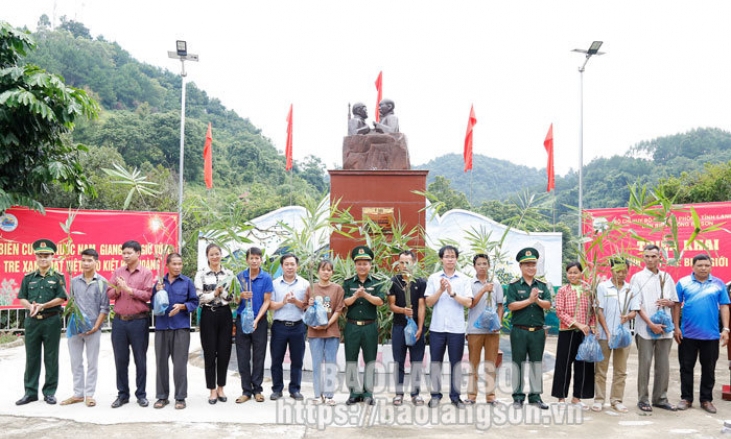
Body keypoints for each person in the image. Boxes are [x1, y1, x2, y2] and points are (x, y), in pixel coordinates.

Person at [673, 254, 730, 414]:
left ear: (710, 266)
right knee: (686, 367)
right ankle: (686, 398)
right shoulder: (683, 283)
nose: (703, 268)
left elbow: (725, 306)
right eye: (700, 265)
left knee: (709, 369)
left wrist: (726, 329)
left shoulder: (719, 284)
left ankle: (706, 400)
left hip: (711, 335)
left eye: (706, 265)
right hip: (687, 335)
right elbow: (676, 305)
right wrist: (676, 327)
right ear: (693, 267)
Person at [16, 239, 67, 406]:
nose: (43, 259)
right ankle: (30, 392)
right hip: (32, 322)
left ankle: (49, 392)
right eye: (40, 256)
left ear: (52, 257)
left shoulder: (58, 277)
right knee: (32, 357)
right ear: (35, 257)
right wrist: (31, 306)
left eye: (46, 255)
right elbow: (22, 297)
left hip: (51, 320)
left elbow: (62, 297)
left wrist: (44, 305)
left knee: (51, 357)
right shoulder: (29, 277)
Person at [425, 245, 473, 409]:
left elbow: (468, 302)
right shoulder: (433, 278)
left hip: (456, 329)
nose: (450, 259)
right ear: (441, 259)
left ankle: (455, 396)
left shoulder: (464, 279)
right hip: (437, 328)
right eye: (447, 256)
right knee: (436, 363)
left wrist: (452, 293)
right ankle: (435, 395)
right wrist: (440, 289)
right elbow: (429, 302)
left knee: (456, 364)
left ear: (457, 259)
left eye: (453, 256)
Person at [60, 248, 110, 408]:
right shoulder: (74, 281)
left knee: (92, 362)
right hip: (75, 328)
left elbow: (105, 307)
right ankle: (78, 394)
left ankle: (89, 394)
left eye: (89, 260)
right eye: (83, 260)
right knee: (76, 362)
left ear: (96, 262)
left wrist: (96, 327)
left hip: (93, 328)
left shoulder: (102, 282)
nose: (86, 263)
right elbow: (71, 303)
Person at [107, 240, 153, 408]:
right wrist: (118, 289)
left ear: (138, 253)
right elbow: (110, 293)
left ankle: (141, 394)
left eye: (129, 253)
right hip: (119, 322)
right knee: (120, 359)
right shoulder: (118, 271)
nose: (125, 256)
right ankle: (122, 395)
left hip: (138, 321)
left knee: (140, 359)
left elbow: (148, 295)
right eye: (124, 253)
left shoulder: (146, 273)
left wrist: (129, 290)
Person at [631, 244, 678, 412]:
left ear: (660, 258)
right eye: (647, 256)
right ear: (643, 258)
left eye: (654, 256)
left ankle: (660, 398)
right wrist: (651, 324)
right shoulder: (637, 278)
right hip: (645, 329)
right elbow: (636, 305)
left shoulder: (667, 277)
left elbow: (675, 301)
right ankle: (643, 399)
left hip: (665, 329)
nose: (650, 259)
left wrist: (669, 302)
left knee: (663, 366)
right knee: (645, 365)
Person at [505, 247, 552, 410]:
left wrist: (537, 300)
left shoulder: (542, 285)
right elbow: (511, 305)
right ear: (521, 267)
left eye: (533, 264)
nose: (531, 267)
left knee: (536, 364)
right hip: (519, 331)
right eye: (527, 265)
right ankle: (518, 397)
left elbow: (548, 305)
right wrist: (529, 300)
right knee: (517, 363)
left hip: (538, 332)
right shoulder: (514, 285)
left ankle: (535, 396)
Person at [152, 253, 198, 410]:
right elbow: (153, 304)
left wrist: (182, 307)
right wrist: (157, 293)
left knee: (180, 364)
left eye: (180, 264)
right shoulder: (159, 283)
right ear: (167, 265)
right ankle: (162, 397)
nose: (178, 267)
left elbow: (194, 302)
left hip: (180, 328)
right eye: (175, 264)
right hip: (162, 327)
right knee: (161, 363)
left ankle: (180, 397)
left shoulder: (187, 282)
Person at [594, 257, 640, 413]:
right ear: (611, 270)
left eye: (624, 271)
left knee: (620, 370)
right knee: (601, 369)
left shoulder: (631, 289)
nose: (621, 274)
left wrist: (628, 317)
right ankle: (599, 399)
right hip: (604, 335)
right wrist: (606, 331)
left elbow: (635, 310)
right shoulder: (602, 287)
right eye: (618, 271)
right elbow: (599, 310)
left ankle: (617, 400)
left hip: (623, 335)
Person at [342, 245, 385, 405]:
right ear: (355, 265)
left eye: (365, 263)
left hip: (369, 327)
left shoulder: (377, 282)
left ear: (370, 265)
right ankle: (353, 393)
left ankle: (368, 393)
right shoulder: (348, 283)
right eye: (359, 263)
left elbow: (380, 301)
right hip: (352, 326)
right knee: (351, 360)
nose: (362, 266)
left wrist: (365, 294)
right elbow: (345, 302)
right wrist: (355, 295)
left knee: (370, 360)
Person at [551, 262, 595, 408]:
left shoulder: (587, 289)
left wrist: (591, 326)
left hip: (584, 333)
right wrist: (578, 324)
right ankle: (561, 398)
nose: (572, 275)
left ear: (581, 273)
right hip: (567, 331)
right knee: (563, 364)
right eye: (570, 272)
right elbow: (559, 312)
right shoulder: (563, 290)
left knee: (582, 365)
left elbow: (593, 310)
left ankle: (577, 398)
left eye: (575, 272)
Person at [194, 243, 234, 405]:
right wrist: (214, 294)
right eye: (212, 254)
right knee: (210, 353)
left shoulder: (229, 274)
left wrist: (221, 293)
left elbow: (231, 297)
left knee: (224, 353)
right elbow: (200, 298)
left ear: (221, 255)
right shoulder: (201, 274)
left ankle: (221, 388)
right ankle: (211, 390)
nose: (215, 257)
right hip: (208, 314)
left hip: (225, 314)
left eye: (217, 253)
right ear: (207, 256)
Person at [388, 250, 427, 406]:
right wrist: (403, 310)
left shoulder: (420, 282)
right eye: (401, 262)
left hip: (416, 327)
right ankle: (399, 394)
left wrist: (420, 327)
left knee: (416, 361)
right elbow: (391, 305)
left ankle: (416, 394)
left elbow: (422, 306)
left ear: (414, 263)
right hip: (399, 326)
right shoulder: (394, 281)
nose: (404, 265)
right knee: (399, 361)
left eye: (407, 262)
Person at [234, 247, 272, 404]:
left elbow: (267, 301)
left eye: (257, 258)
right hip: (242, 320)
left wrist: (256, 320)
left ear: (261, 260)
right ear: (247, 260)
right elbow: (234, 300)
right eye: (252, 258)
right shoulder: (240, 277)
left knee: (259, 355)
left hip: (259, 321)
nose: (255, 261)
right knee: (242, 356)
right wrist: (240, 296)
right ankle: (246, 390)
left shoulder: (266, 278)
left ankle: (257, 389)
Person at [269, 253, 309, 401]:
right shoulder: (274, 284)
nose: (290, 267)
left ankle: (295, 389)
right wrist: (283, 303)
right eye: (287, 264)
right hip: (279, 326)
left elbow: (307, 306)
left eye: (292, 264)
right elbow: (270, 305)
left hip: (298, 326)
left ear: (297, 266)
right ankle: (277, 389)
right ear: (282, 266)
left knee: (297, 360)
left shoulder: (305, 284)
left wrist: (295, 301)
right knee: (276, 360)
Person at [305, 260, 345, 406]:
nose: (326, 272)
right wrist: (309, 306)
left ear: (332, 272)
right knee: (316, 364)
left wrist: (327, 324)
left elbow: (338, 310)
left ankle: (329, 395)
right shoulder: (311, 288)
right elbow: (306, 310)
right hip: (314, 332)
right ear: (318, 271)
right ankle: (317, 394)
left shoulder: (337, 289)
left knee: (330, 363)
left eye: (329, 270)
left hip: (331, 332)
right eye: (323, 269)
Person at [465, 253, 504, 405]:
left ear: (489, 266)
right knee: (473, 364)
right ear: (474, 266)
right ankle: (471, 396)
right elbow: (471, 304)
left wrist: (498, 323)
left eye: (485, 263)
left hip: (492, 331)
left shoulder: (497, 284)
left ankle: (491, 396)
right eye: (479, 264)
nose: (482, 266)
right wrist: (484, 289)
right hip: (475, 330)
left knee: (491, 364)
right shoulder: (469, 284)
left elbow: (500, 305)